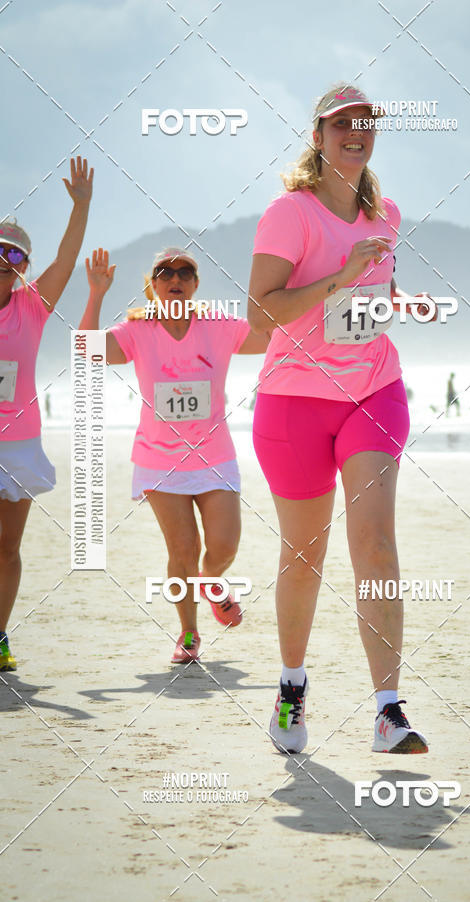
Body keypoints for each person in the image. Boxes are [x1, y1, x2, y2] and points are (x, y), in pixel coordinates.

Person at [248, 84, 433, 755]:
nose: (357, 133)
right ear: (319, 134)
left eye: (367, 124)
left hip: (373, 391)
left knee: (376, 543)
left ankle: (389, 710)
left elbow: (369, 299)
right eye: (342, 124)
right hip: (295, 400)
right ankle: (292, 688)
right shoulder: (288, 214)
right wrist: (338, 277)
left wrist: (389, 300)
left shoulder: (388, 214)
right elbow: (261, 313)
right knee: (304, 555)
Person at [79, 247, 269, 663]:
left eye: (185, 271)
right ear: (153, 286)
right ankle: (189, 633)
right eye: (165, 272)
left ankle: (210, 581)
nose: (175, 277)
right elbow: (88, 351)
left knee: (223, 546)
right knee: (182, 548)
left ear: (196, 285)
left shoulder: (218, 326)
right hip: (159, 462)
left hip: (215, 458)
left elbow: (271, 336)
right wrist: (95, 295)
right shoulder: (137, 331)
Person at [0, 157, 93, 671]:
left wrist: (80, 207)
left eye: (13, 252)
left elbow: (67, 256)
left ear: (23, 266)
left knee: (6, 548)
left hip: (17, 445)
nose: (3, 257)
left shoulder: (32, 308)